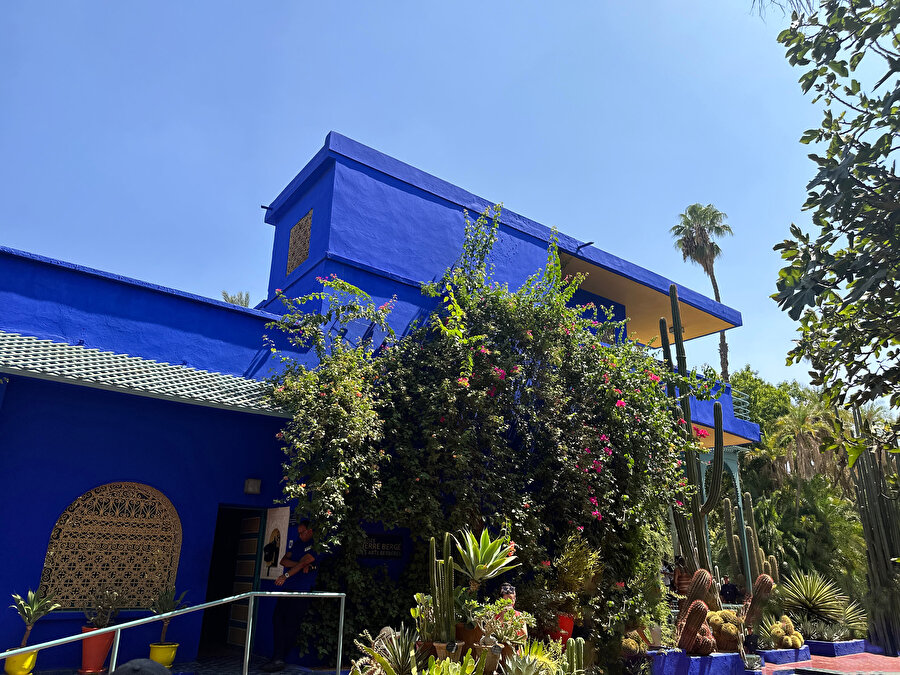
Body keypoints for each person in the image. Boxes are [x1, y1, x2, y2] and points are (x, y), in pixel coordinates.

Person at [261, 519, 317, 673]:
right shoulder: (298, 544)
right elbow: (283, 560)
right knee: (277, 619)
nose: (299, 535)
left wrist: (286, 575)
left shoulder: (315, 546)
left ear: (310, 531)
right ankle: (277, 657)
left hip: (301, 593)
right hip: (288, 590)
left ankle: (280, 659)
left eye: (302, 532)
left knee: (291, 625)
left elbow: (303, 561)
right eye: (298, 532)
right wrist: (300, 564)